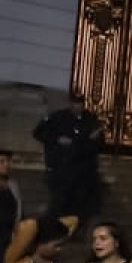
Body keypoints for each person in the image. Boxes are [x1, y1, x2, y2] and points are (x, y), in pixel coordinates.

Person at [33, 91, 104, 220]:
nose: (75, 106)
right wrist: (56, 139)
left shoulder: (91, 120)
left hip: (83, 171)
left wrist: (84, 142)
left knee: (80, 205)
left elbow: (96, 144)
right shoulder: (58, 117)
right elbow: (39, 132)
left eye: (78, 103)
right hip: (61, 169)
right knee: (59, 204)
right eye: (73, 103)